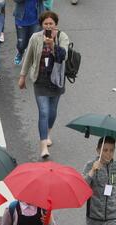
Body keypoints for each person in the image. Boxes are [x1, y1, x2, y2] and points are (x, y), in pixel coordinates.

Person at [18, 11, 70, 158]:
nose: (48, 26)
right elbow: (28, 57)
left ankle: (47, 132)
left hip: (56, 81)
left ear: (56, 24)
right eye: (45, 24)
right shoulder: (35, 38)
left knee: (52, 112)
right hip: (40, 80)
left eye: (51, 23)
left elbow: (63, 56)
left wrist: (53, 44)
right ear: (41, 25)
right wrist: (22, 76)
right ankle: (43, 147)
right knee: (44, 112)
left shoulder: (62, 37)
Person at [13, 0, 44, 66]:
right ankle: (20, 52)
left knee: (35, 42)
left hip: (37, 19)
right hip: (21, 19)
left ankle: (34, 61)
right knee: (21, 45)